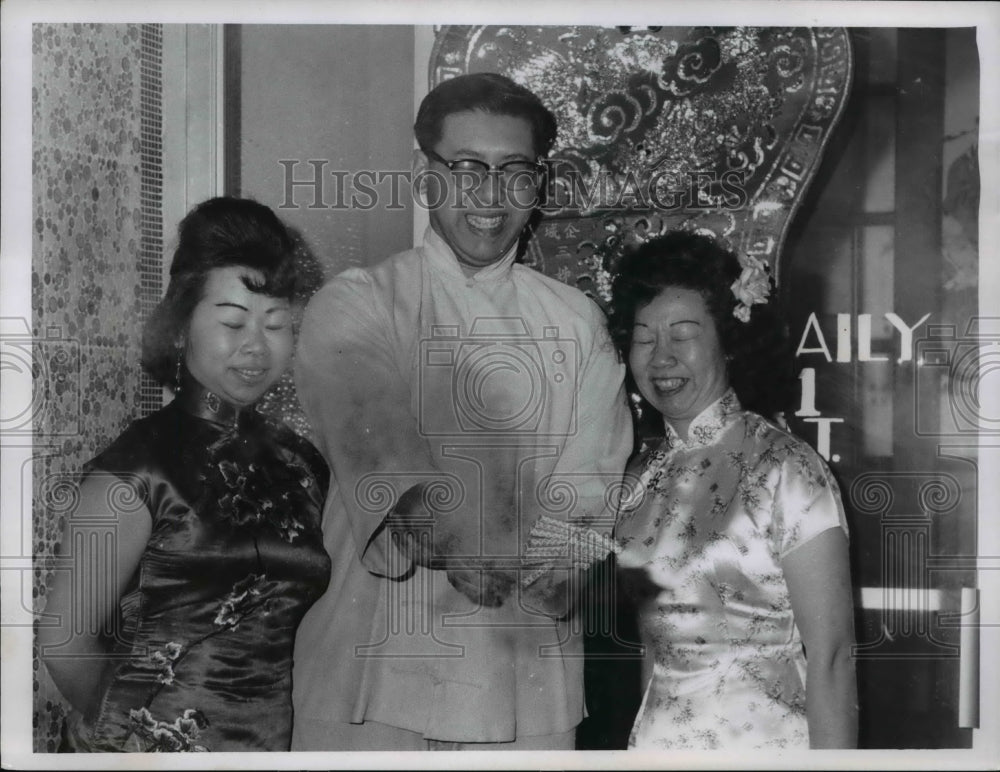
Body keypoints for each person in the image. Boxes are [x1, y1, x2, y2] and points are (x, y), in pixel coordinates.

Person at [291, 73, 633, 750]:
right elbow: (381, 457)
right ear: (426, 177)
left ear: (539, 185)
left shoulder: (576, 322)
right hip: (374, 666)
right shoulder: (357, 304)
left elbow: (589, 484)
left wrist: (565, 563)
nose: (490, 194)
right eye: (467, 167)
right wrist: (456, 538)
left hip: (519, 671)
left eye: (515, 171)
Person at [39, 197, 332, 752]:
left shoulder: (299, 465)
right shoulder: (136, 467)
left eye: (276, 324)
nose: (255, 346)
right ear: (180, 327)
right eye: (232, 322)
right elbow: (63, 639)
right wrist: (138, 741)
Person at [607, 231, 857, 749]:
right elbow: (654, 653)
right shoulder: (640, 476)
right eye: (644, 336)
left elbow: (832, 659)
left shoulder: (786, 470)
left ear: (728, 339)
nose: (661, 357)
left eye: (683, 334)